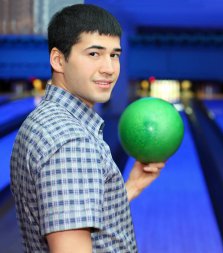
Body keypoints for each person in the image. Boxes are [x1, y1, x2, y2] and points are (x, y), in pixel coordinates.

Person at [10, 4, 164, 253]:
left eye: (114, 55)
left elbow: (76, 215)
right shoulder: (71, 142)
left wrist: (131, 187)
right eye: (94, 54)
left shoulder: (43, 120)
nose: (109, 68)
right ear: (58, 59)